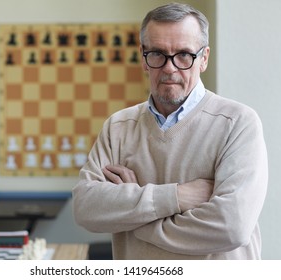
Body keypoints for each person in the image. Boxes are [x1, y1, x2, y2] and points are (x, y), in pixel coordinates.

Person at [72, 2, 268, 260]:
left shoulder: (238, 123)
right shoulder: (118, 127)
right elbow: (86, 208)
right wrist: (177, 196)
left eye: (184, 55)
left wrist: (137, 216)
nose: (169, 68)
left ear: (204, 58)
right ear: (143, 56)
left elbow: (232, 227)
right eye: (157, 54)